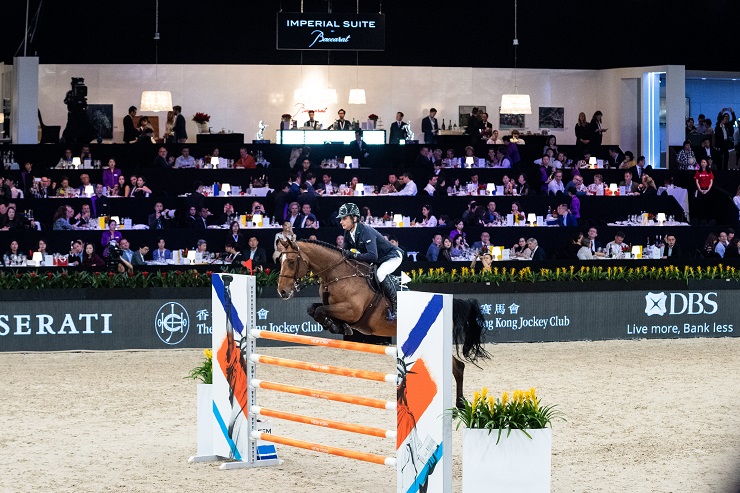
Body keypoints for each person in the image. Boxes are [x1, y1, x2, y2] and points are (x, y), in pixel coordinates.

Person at [337, 203, 404, 321]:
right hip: (379, 260)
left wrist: (354, 255)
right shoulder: (347, 232)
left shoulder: (366, 231)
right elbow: (345, 253)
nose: (341, 221)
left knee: (380, 274)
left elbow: (373, 256)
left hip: (391, 256)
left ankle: (396, 307)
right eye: (341, 219)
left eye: (344, 218)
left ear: (355, 218)